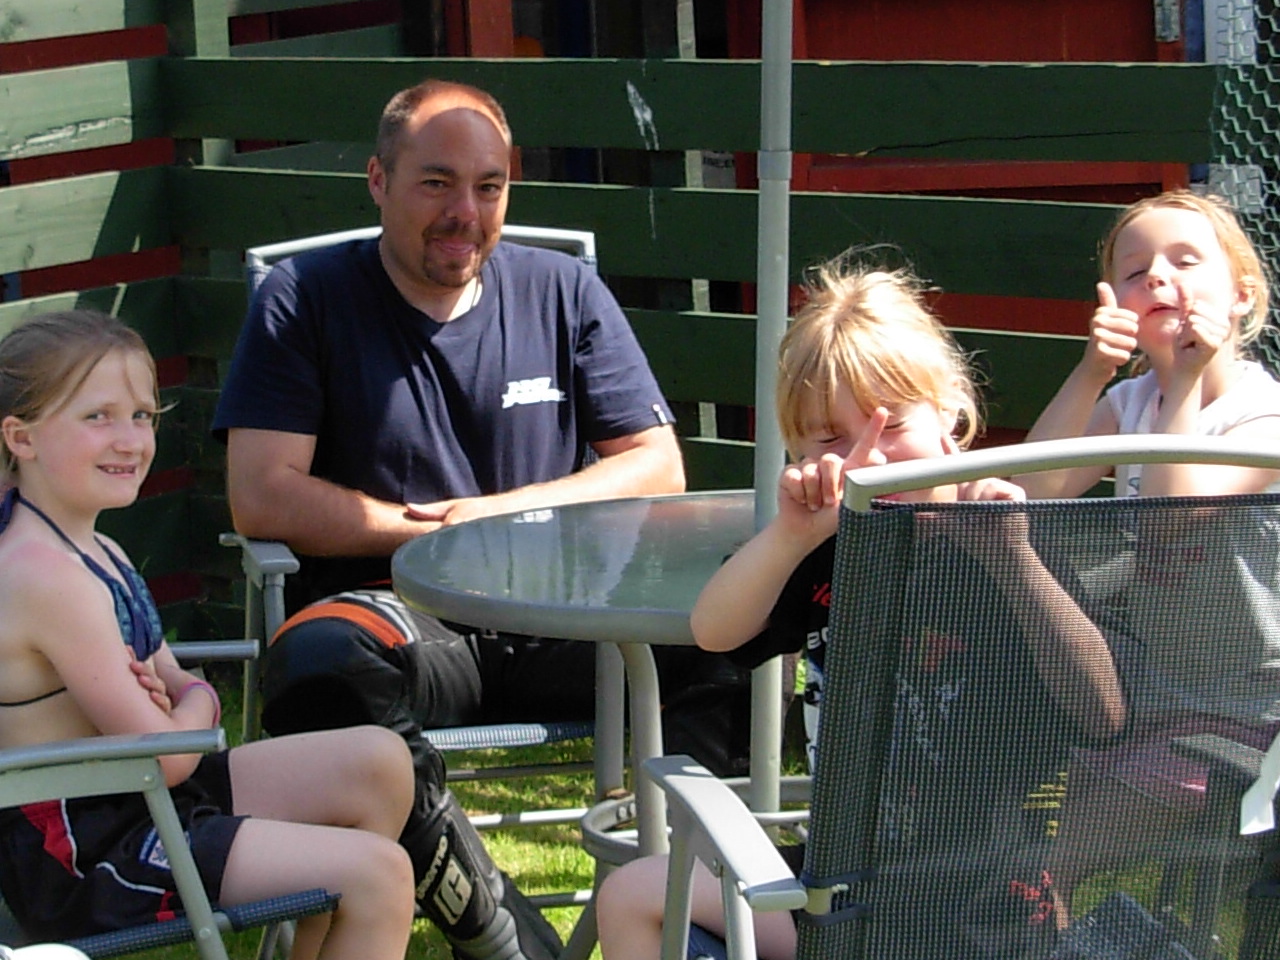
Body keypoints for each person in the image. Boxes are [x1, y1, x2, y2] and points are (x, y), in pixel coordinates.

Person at [212, 77, 752, 959]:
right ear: (378, 182)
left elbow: (656, 463)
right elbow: (263, 494)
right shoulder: (304, 299)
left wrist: (500, 515)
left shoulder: (562, 291)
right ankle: (505, 937)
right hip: (405, 618)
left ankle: (682, 915)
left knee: (731, 634)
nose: (465, 211)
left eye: (489, 186)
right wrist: (428, 536)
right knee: (318, 665)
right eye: (436, 182)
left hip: (567, 616)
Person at [595, 253, 1130, 960]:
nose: (868, 458)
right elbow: (714, 630)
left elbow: (1104, 713)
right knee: (632, 895)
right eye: (831, 439)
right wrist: (791, 535)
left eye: (891, 423)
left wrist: (1016, 562)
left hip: (981, 911)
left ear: (952, 414)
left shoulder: (1005, 538)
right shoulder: (827, 548)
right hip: (842, 895)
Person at [0, 310, 416, 960]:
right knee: (380, 875)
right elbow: (173, 748)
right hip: (90, 851)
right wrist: (197, 707)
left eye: (142, 415)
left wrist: (180, 708)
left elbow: (167, 698)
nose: (130, 439)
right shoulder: (43, 575)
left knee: (379, 763)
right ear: (21, 438)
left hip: (142, 797)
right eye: (97, 417)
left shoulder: (96, 548)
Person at [1014, 188, 1280, 928]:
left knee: (1043, 871)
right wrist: (1092, 372)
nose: (1158, 278)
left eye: (1186, 260)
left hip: (1240, 720)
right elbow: (1036, 491)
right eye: (1135, 271)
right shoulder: (1131, 401)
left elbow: (1173, 520)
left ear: (1242, 296)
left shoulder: (1263, 416)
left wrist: (1187, 383)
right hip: (1147, 696)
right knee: (1026, 867)